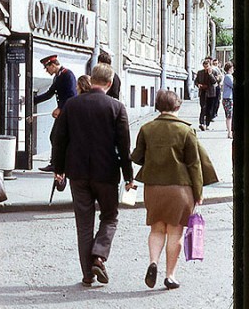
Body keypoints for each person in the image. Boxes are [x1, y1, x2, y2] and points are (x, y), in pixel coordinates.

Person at [51, 63, 135, 287]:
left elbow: (60, 139)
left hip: (77, 172)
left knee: (84, 223)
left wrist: (58, 169)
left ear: (92, 79)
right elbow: (124, 146)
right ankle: (99, 255)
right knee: (110, 216)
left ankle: (88, 274)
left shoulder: (72, 104)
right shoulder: (116, 107)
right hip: (106, 172)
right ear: (109, 84)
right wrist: (129, 177)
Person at [130, 90, 218, 290]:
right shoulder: (186, 131)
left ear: (158, 107)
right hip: (180, 189)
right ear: (177, 106)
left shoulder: (146, 128)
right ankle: (170, 275)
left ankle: (153, 262)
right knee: (175, 233)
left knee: (156, 229)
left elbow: (136, 157)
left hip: (153, 188)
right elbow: (194, 165)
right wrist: (199, 193)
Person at [34, 54, 77, 172]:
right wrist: (32, 100)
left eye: (47, 68)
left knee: (57, 137)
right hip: (63, 112)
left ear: (52, 65)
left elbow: (72, 96)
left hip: (68, 113)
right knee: (55, 137)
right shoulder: (58, 76)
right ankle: (56, 163)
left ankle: (57, 164)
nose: (46, 71)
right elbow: (49, 93)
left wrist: (61, 108)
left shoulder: (67, 75)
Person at [194, 59, 217, 131]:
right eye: (204, 67)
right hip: (203, 92)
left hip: (211, 93)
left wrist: (210, 74)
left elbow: (214, 82)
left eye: (207, 66)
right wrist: (198, 85)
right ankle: (201, 123)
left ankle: (207, 124)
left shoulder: (214, 72)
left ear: (210, 65)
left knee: (209, 109)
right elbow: (196, 81)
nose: (206, 68)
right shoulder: (200, 72)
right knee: (203, 107)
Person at [222, 61, 234, 138]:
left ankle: (230, 131)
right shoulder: (228, 77)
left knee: (229, 115)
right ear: (230, 68)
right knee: (229, 116)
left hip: (227, 98)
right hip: (228, 98)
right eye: (232, 67)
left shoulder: (228, 76)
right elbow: (233, 85)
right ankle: (229, 132)